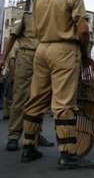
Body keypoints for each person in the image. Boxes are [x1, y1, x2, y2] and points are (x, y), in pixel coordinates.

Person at [20, 0, 94, 169]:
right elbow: (82, 30)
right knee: (64, 103)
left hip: (42, 49)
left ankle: (28, 146)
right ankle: (68, 154)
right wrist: (83, 53)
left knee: (37, 98)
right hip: (64, 49)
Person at [0, 12, 54, 151]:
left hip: (43, 57)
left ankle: (35, 134)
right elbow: (12, 37)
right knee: (20, 97)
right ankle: (13, 136)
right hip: (26, 56)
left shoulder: (49, 15)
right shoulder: (26, 16)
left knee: (40, 98)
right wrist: (3, 58)